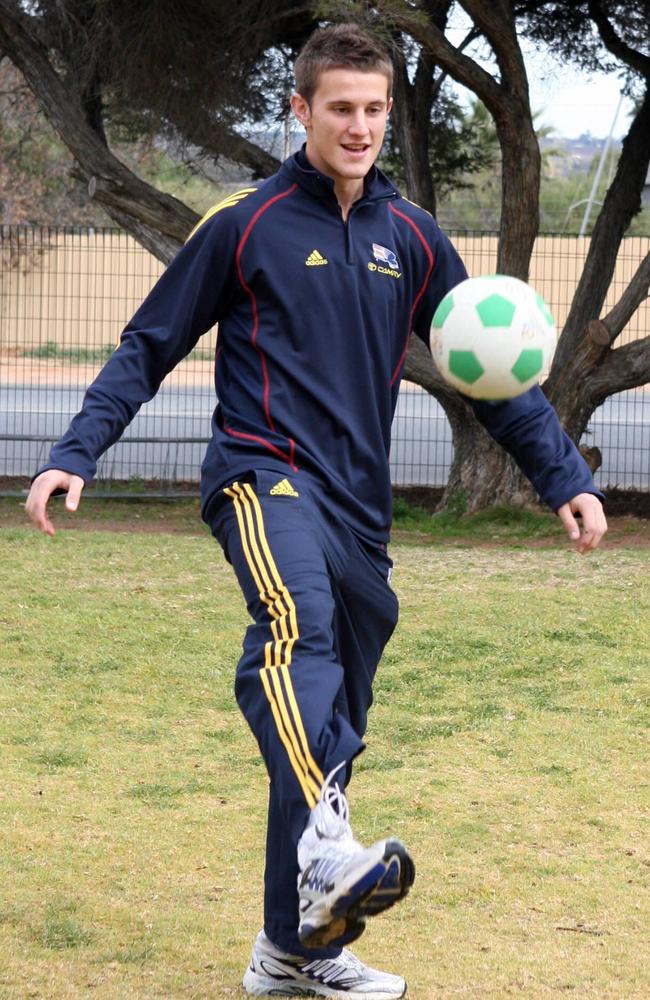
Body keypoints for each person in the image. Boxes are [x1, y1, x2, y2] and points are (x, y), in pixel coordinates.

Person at [25, 22, 607, 1000]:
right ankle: (328, 853)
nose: (359, 126)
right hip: (260, 475)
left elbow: (493, 376)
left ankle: (290, 952)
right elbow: (147, 344)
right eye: (340, 107)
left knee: (327, 722)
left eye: (375, 110)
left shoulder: (411, 239)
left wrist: (564, 479)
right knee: (297, 637)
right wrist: (73, 452)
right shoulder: (244, 224)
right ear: (300, 110)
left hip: (357, 508)